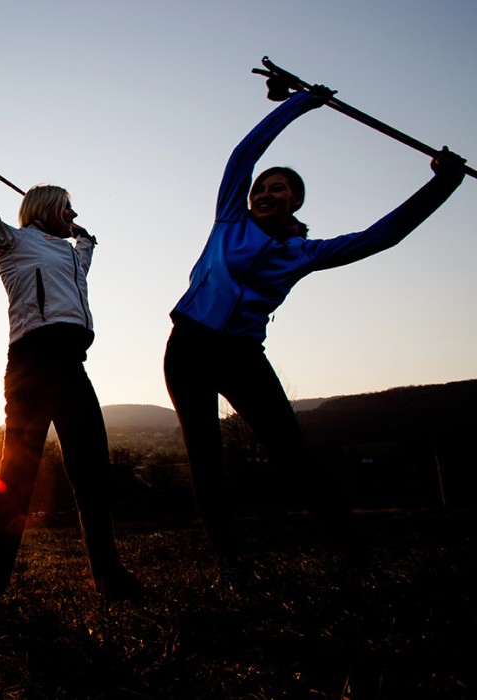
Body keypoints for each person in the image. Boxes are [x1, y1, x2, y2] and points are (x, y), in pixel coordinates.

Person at [164, 84, 467, 586]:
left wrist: (444, 184)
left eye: (278, 189)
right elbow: (245, 154)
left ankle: (358, 556)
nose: (265, 194)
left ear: (295, 201)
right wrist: (302, 102)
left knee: (294, 454)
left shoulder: (305, 253)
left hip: (242, 354)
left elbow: (382, 236)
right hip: (189, 346)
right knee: (205, 454)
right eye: (261, 187)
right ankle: (230, 564)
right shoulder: (229, 220)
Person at [0, 134, 143, 606]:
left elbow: (85, 248)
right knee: (17, 475)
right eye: (67, 207)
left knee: (92, 473)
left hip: (72, 364)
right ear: (45, 207)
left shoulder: (74, 252)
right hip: (32, 363)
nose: (74, 214)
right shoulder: (12, 241)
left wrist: (85, 237)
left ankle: (110, 579)